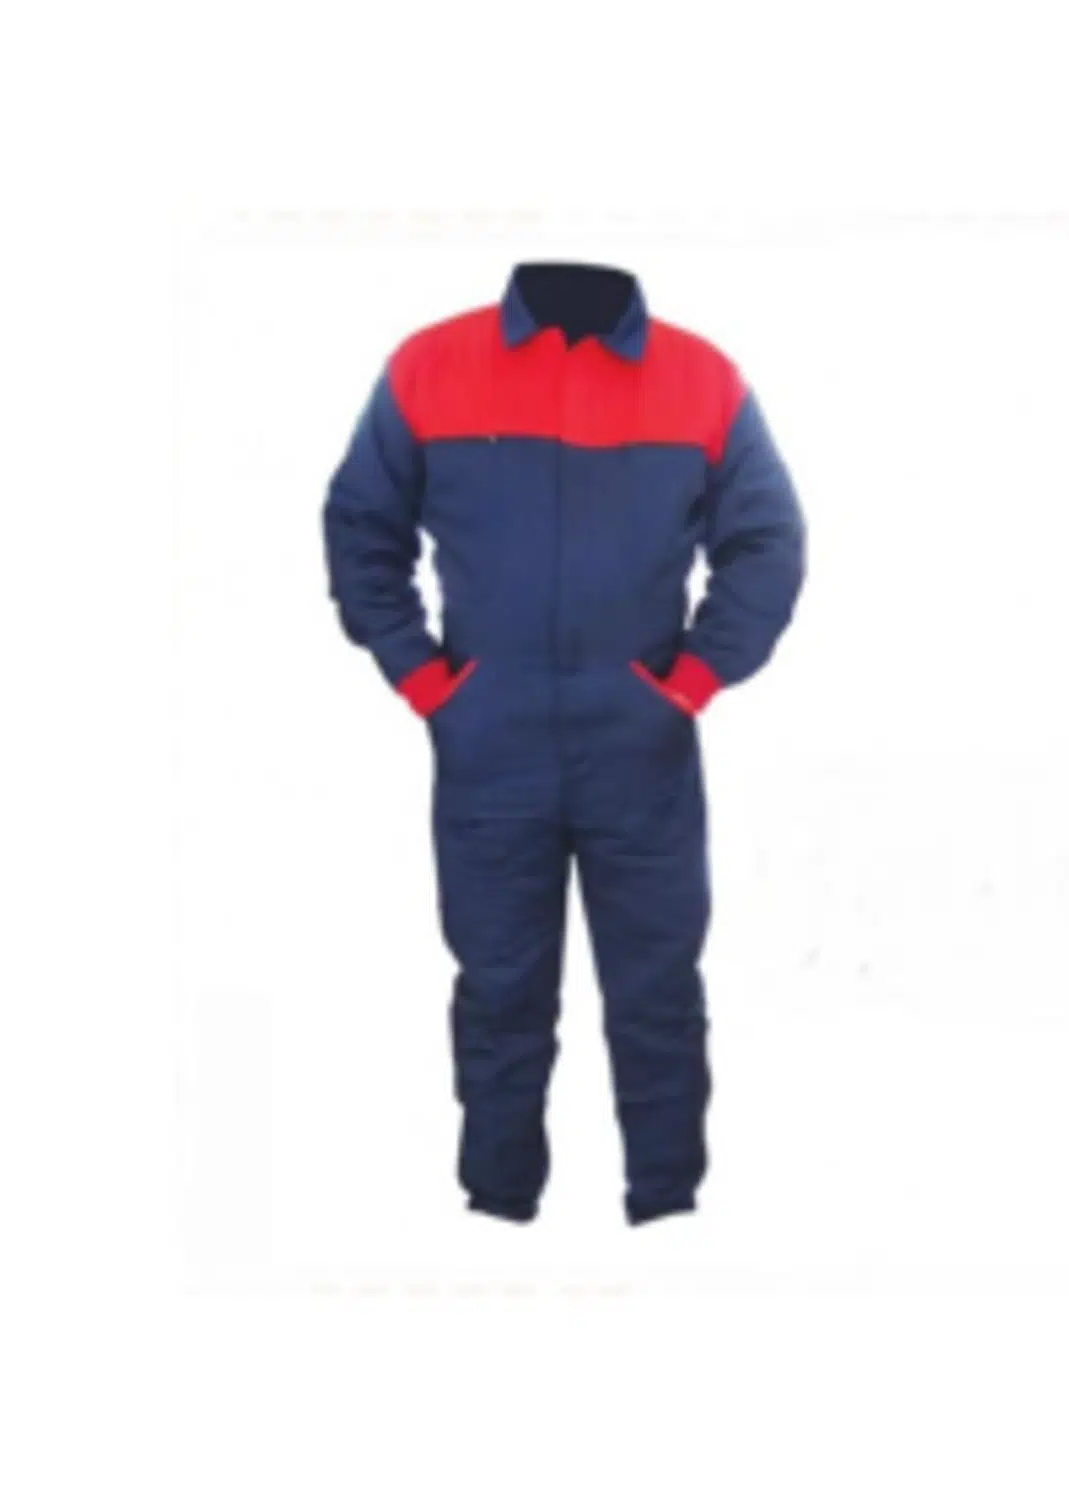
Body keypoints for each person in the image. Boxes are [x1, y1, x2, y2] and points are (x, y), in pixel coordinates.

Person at [322, 261, 806, 1224]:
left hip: (640, 744)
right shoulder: (431, 366)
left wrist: (692, 682)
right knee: (499, 989)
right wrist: (424, 679)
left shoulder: (700, 378)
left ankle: (666, 1204)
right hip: (489, 742)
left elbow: (768, 540)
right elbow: (361, 526)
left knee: (657, 992)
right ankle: (498, 1205)